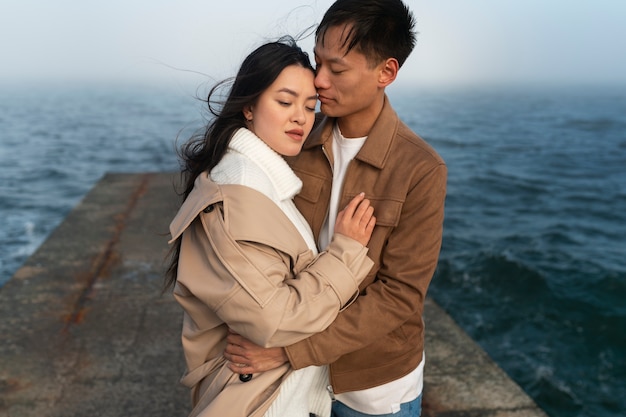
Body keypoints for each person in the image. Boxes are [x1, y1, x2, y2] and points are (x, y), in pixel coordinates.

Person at [224, 1, 447, 416]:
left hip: (369, 388)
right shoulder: (296, 141)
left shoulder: (420, 168)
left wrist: (290, 351)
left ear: (386, 73)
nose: (319, 80)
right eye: (317, 61)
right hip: (293, 382)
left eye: (337, 69)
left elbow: (400, 297)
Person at [164, 37, 377, 417]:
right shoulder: (239, 191)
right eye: (285, 101)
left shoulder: (258, 179)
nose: (301, 117)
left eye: (310, 106)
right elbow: (273, 320)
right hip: (259, 400)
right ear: (248, 106)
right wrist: (345, 253)